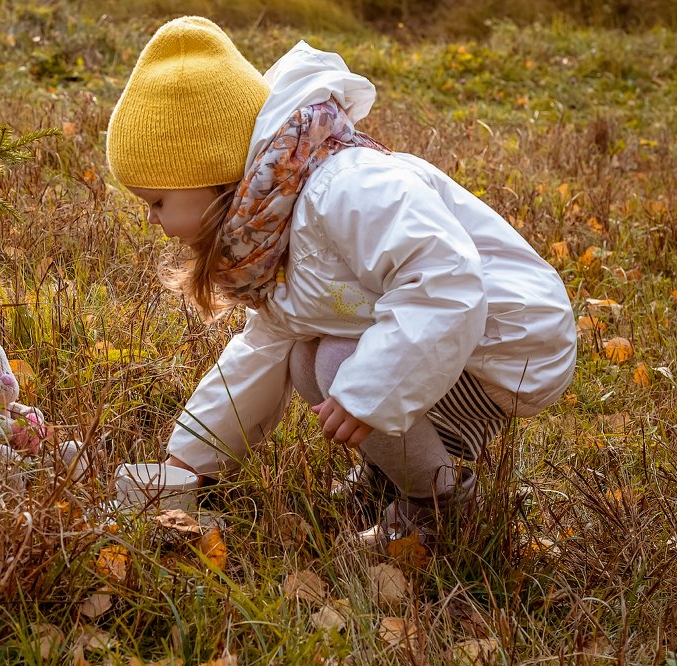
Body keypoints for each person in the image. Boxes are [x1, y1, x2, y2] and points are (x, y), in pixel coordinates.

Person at [105, 17, 577, 546]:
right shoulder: (269, 227)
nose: (151, 219)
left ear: (208, 174)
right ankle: (396, 474)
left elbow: (444, 280)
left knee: (336, 366)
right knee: (306, 358)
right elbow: (259, 353)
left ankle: (440, 509)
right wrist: (188, 461)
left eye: (157, 202)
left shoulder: (344, 186)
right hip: (454, 338)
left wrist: (372, 389)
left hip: (511, 341)